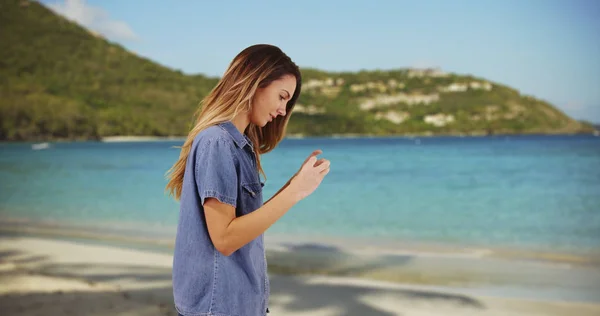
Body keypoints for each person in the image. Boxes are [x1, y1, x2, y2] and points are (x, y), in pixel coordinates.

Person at [165, 44, 331, 316]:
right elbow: (225, 238)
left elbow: (243, 224)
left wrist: (294, 186)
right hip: (219, 307)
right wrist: (294, 193)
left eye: (287, 103)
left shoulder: (239, 146)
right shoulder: (217, 142)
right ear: (255, 82)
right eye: (281, 96)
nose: (281, 110)